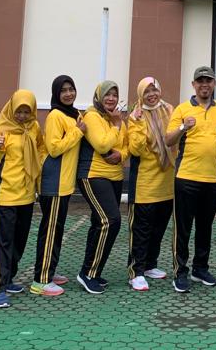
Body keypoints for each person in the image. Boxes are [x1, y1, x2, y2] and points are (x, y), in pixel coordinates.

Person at [165, 66, 216, 293]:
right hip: (186, 177)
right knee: (183, 228)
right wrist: (184, 126)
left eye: (208, 81)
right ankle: (180, 272)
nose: (204, 85)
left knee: (205, 226)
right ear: (193, 84)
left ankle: (200, 268)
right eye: (200, 81)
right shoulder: (182, 109)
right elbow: (168, 140)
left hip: (213, 179)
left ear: (214, 84)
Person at [0, 90, 44, 309]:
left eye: (26, 112)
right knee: (2, 242)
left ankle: (9, 277)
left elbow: (40, 147)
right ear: (11, 109)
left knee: (19, 240)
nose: (21, 116)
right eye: (19, 111)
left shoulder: (33, 127)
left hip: (26, 194)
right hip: (5, 195)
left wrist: (38, 165)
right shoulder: (2, 128)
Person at [32, 75, 86, 296]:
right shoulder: (55, 115)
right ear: (56, 93)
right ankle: (41, 280)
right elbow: (54, 148)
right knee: (50, 230)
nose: (68, 94)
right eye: (63, 90)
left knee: (56, 229)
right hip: (53, 181)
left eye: (71, 89)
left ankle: (49, 270)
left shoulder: (74, 114)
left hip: (65, 181)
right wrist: (78, 131)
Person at [75, 80, 129, 295]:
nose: (111, 99)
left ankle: (94, 272)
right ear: (99, 96)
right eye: (107, 94)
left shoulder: (116, 119)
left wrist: (121, 155)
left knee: (100, 223)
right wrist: (116, 125)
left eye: (115, 95)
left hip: (114, 177)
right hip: (93, 175)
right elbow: (102, 144)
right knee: (110, 220)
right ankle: (87, 273)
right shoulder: (92, 116)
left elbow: (126, 146)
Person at [126, 77, 177, 292]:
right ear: (140, 94)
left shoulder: (169, 110)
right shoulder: (135, 115)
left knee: (159, 227)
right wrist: (138, 123)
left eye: (154, 90)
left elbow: (175, 136)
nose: (151, 95)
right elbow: (135, 149)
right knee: (141, 229)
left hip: (167, 180)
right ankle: (136, 272)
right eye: (146, 92)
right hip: (145, 183)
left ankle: (149, 265)